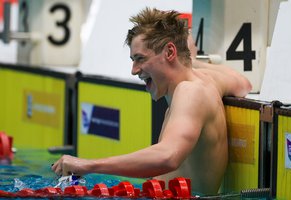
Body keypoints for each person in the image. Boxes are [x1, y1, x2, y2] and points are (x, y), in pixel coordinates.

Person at [52, 7, 252, 195]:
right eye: (133, 60)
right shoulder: (205, 81)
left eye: (140, 58)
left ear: (170, 52)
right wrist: (189, 60)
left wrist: (88, 165)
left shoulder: (190, 92)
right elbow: (243, 84)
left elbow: (168, 156)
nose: (134, 70)